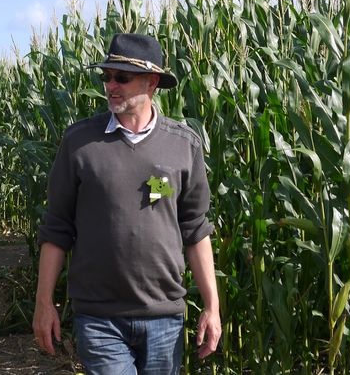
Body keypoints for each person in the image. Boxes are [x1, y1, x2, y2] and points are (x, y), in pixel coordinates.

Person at [32, 33, 221, 375]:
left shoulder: (183, 145)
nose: (111, 85)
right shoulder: (79, 142)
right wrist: (44, 302)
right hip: (99, 318)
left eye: (122, 77)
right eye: (106, 76)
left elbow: (195, 229)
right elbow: (57, 227)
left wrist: (212, 306)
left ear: (152, 82)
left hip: (164, 317)